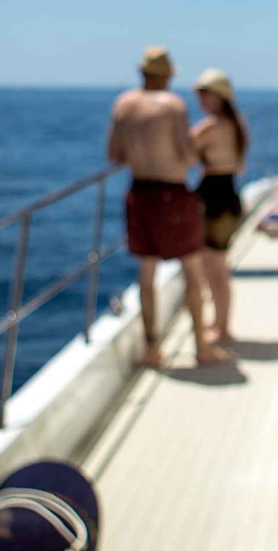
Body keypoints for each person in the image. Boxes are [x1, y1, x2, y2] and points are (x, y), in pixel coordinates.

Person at [105, 46, 229, 367]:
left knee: (146, 274)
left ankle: (152, 350)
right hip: (172, 194)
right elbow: (187, 157)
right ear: (167, 76)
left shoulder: (123, 104)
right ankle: (201, 346)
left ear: (142, 73)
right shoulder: (173, 106)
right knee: (192, 268)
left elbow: (114, 154)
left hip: (139, 192)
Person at [190, 67, 249, 347]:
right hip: (229, 197)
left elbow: (183, 153)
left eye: (205, 93)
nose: (200, 99)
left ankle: (222, 328)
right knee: (217, 266)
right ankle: (220, 324)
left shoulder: (211, 126)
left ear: (219, 96)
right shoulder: (237, 125)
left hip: (214, 200)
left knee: (214, 268)